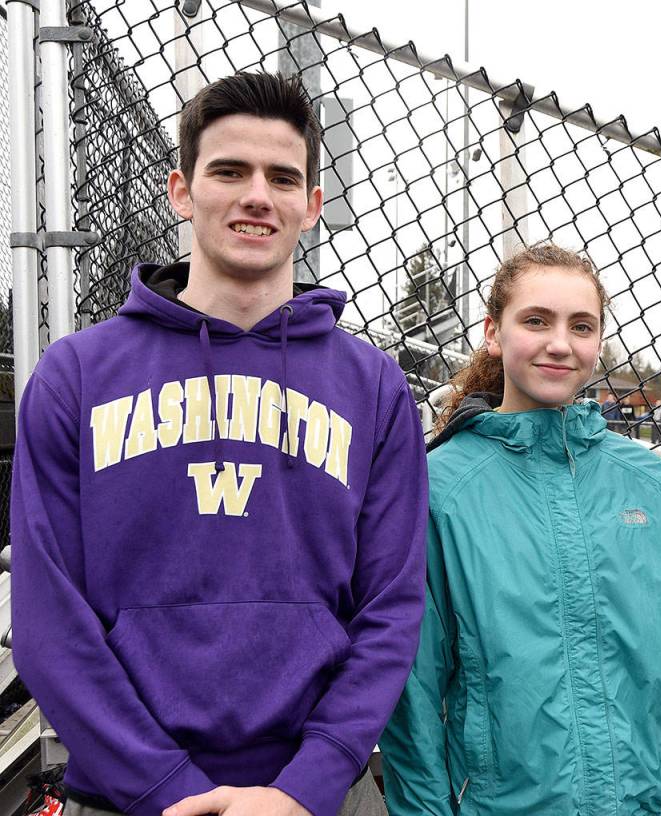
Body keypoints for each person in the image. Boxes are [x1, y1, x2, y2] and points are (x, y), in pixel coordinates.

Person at [11, 72, 427, 816]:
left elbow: (391, 607)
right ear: (182, 190)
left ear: (312, 205)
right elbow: (47, 619)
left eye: (282, 177)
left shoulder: (373, 387)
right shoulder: (76, 375)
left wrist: (307, 784)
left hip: (316, 798)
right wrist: (163, 787)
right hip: (126, 797)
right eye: (229, 171)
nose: (257, 196)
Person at [379, 243, 661, 816]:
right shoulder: (440, 487)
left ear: (598, 341)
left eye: (581, 326)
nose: (560, 344)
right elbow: (413, 689)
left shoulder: (649, 482)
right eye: (536, 320)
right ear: (493, 332)